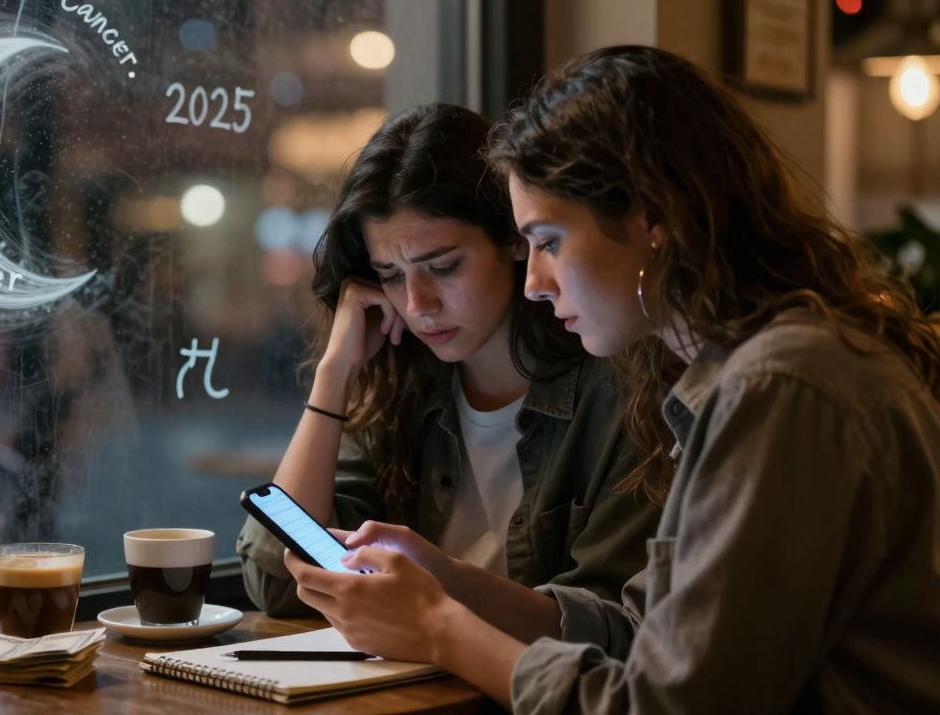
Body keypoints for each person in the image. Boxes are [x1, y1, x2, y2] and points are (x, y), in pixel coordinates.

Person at [283, 46, 940, 713]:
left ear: (653, 220)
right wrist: (447, 581)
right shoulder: (749, 373)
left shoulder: (781, 387)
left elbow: (667, 705)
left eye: (549, 241)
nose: (535, 283)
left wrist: (438, 628)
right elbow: (639, 635)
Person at [238, 103, 663, 616]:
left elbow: (611, 624)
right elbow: (277, 583)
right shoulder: (401, 388)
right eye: (391, 276)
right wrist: (334, 375)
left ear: (515, 240)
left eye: (443, 267)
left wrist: (438, 599)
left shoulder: (622, 390)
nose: (418, 304)